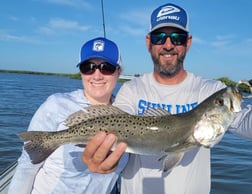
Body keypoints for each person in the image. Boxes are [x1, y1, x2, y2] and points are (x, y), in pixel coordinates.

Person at [82, 3, 252, 194]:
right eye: (159, 37)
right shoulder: (132, 89)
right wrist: (104, 160)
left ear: (188, 42)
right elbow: (117, 136)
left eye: (177, 38)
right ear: (149, 42)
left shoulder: (211, 90)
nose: (168, 45)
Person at [8, 37, 128, 194]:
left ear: (118, 71)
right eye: (88, 67)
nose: (97, 75)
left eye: (106, 67)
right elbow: (27, 166)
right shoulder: (57, 104)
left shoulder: (128, 112)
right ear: (81, 72)